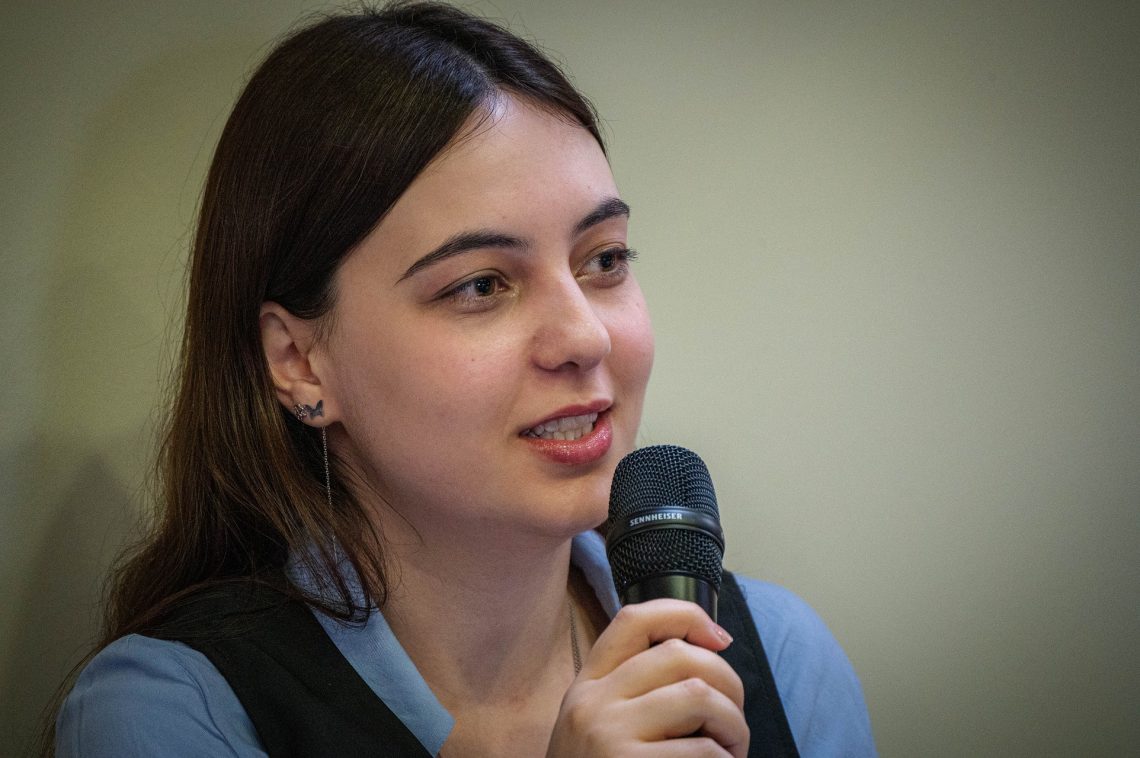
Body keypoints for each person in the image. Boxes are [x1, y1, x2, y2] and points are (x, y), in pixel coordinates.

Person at [53, 3, 875, 756]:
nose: (584, 337)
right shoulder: (173, 710)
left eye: (604, 260)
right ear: (299, 362)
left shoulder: (780, 657)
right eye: (481, 284)